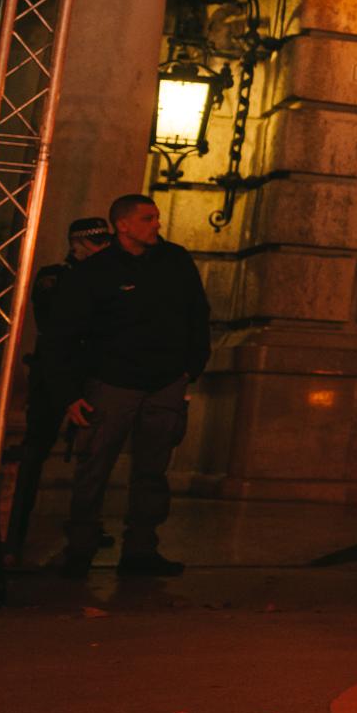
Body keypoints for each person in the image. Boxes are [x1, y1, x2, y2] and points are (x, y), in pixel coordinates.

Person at [55, 194, 212, 578]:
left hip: (165, 383)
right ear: (123, 225)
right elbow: (66, 333)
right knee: (94, 466)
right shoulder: (96, 272)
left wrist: (191, 368)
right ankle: (80, 548)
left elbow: (198, 313)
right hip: (112, 382)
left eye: (157, 217)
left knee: (153, 469)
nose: (157, 224)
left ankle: (141, 549)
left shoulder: (175, 261)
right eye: (148, 218)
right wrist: (71, 392)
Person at [5, 216, 111, 565]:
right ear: (76, 244)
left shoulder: (107, 277)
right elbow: (55, 322)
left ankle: (85, 529)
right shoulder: (56, 277)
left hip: (93, 373)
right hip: (53, 374)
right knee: (35, 450)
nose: (98, 251)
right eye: (92, 244)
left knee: (96, 455)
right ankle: (13, 532)